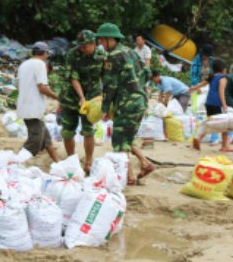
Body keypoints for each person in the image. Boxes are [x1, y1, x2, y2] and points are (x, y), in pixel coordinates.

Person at [96, 23, 154, 185]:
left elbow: (110, 85)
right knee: (126, 138)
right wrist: (137, 87)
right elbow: (147, 72)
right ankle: (142, 164)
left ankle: (129, 176)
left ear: (109, 39)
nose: (100, 44)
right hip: (140, 101)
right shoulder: (131, 52)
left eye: (101, 40)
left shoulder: (113, 56)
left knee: (119, 142)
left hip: (126, 103)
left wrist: (105, 108)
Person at [59, 30, 104, 172]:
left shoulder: (102, 56)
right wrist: (81, 97)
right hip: (71, 97)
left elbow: (107, 77)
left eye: (85, 46)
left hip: (93, 98)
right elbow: (73, 77)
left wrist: (105, 99)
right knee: (67, 131)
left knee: (88, 130)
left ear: (94, 44)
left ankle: (88, 161)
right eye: (80, 46)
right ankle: (71, 159)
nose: (82, 49)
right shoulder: (72, 54)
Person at [17, 41, 61, 162]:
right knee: (35, 141)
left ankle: (58, 163)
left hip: (25, 106)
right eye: (47, 53)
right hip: (33, 109)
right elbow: (42, 87)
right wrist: (57, 97)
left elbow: (19, 87)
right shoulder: (40, 64)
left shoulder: (24, 65)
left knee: (46, 139)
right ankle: (14, 162)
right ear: (45, 53)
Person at [193, 58, 233, 152]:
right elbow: (221, 91)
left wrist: (192, 88)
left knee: (210, 123)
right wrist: (224, 105)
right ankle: (224, 146)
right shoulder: (223, 78)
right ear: (223, 69)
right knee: (225, 124)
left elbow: (201, 84)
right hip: (217, 104)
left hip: (208, 103)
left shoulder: (212, 77)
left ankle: (199, 138)